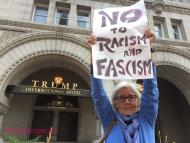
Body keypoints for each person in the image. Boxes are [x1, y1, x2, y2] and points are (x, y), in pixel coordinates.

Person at [88, 29, 159, 143]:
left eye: (131, 97)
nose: (127, 101)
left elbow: (151, 90)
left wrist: (146, 49)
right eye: (122, 97)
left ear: (138, 101)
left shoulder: (147, 118)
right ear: (115, 103)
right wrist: (94, 54)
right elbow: (98, 95)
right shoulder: (109, 119)